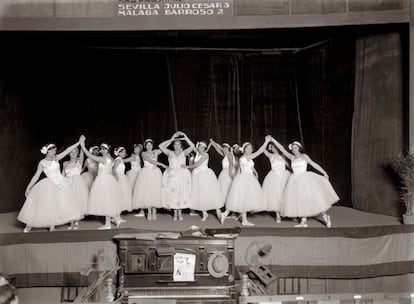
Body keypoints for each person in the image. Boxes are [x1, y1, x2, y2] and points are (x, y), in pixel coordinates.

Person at [269, 137, 339, 228]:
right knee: (301, 200)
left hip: (305, 179)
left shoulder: (304, 156)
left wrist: (324, 172)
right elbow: (282, 149)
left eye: (296, 147)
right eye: (293, 148)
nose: (294, 149)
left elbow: (314, 164)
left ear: (299, 148)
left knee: (314, 199)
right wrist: (272, 140)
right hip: (295, 180)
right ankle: (303, 221)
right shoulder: (292, 157)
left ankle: (326, 217)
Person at [18, 141, 83, 233]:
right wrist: (28, 187)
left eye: (55, 151)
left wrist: (79, 142)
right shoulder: (42, 162)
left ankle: (52, 225)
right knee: (43, 204)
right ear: (47, 151)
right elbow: (36, 176)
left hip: (61, 183)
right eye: (52, 151)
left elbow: (68, 149)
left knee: (56, 204)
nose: (54, 152)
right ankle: (29, 225)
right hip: (49, 184)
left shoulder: (56, 158)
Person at [222, 137, 270, 226]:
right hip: (246, 179)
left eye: (251, 148)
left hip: (244, 178)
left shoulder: (243, 158)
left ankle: (232, 216)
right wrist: (266, 142)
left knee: (244, 199)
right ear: (244, 150)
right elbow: (260, 151)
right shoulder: (247, 157)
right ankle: (241, 219)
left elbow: (241, 170)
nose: (250, 150)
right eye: (248, 148)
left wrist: (254, 172)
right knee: (245, 199)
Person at [80, 136, 121, 230]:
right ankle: (115, 218)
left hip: (103, 180)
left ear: (106, 150)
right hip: (108, 180)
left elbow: (89, 155)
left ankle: (108, 224)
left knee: (105, 200)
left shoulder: (103, 159)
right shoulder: (110, 158)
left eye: (102, 148)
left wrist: (82, 145)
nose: (101, 150)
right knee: (108, 200)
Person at [159, 131, 195, 221]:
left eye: (178, 144)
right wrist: (172, 138)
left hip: (182, 175)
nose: (177, 146)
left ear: (181, 146)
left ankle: (180, 212)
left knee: (181, 193)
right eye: (175, 144)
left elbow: (192, 146)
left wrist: (185, 137)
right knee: (173, 194)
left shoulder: (184, 152)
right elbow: (160, 146)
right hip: (171, 175)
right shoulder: (169, 153)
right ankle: (175, 213)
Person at [184, 141, 222, 222]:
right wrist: (185, 136)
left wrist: (186, 166)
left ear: (205, 148)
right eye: (199, 147)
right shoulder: (197, 153)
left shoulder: (205, 154)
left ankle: (218, 211)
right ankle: (204, 213)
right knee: (200, 194)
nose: (201, 149)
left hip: (205, 175)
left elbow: (197, 164)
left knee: (209, 193)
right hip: (197, 175)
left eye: (202, 147)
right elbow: (191, 144)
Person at [132, 139, 167, 220]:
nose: (149, 146)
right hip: (146, 173)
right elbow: (150, 161)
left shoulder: (156, 152)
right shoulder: (143, 153)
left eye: (150, 144)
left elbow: (165, 146)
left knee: (155, 191)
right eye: (147, 145)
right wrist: (162, 164)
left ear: (152, 145)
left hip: (155, 173)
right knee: (147, 191)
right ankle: (149, 212)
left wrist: (172, 138)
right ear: (145, 146)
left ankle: (154, 211)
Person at [262, 141, 291, 223]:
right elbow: (263, 150)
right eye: (272, 147)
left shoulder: (283, 156)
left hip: (284, 176)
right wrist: (267, 141)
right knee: (276, 196)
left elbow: (288, 165)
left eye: (275, 147)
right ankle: (278, 215)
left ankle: (288, 213)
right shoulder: (270, 155)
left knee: (285, 195)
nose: (274, 149)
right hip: (274, 177)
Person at [63, 147, 89, 230]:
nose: (73, 154)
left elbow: (82, 154)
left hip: (77, 183)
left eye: (75, 152)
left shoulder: (79, 161)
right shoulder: (65, 163)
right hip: (67, 183)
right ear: (68, 153)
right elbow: (62, 175)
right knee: (69, 202)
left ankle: (76, 220)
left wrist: (81, 144)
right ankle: (71, 221)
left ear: (77, 153)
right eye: (71, 152)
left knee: (77, 201)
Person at [209, 139, 235, 205]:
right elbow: (218, 150)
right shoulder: (225, 155)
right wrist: (213, 144)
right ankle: (227, 206)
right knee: (224, 189)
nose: (224, 149)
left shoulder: (229, 154)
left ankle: (230, 207)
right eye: (223, 148)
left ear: (228, 149)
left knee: (227, 189)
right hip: (224, 173)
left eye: (225, 148)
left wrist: (230, 173)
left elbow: (231, 164)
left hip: (228, 172)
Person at [113, 146, 133, 220]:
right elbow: (113, 169)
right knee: (118, 197)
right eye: (123, 152)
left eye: (124, 152)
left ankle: (118, 216)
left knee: (121, 197)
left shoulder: (120, 159)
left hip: (122, 178)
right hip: (119, 178)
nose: (124, 153)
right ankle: (116, 216)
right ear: (119, 153)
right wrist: (116, 176)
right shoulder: (118, 160)